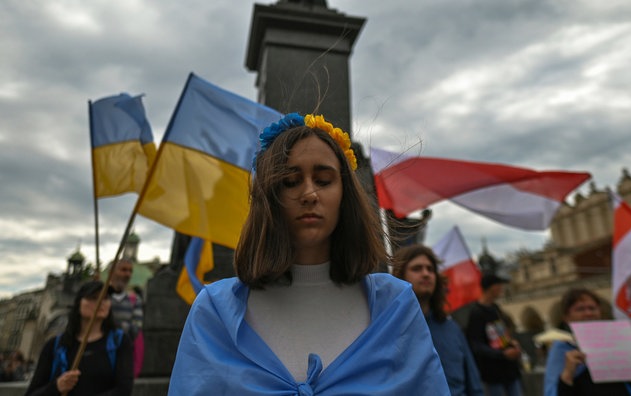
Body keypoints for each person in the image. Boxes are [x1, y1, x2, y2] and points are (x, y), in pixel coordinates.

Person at [169, 113, 450, 395]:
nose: (309, 194)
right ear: (268, 197)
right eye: (290, 181)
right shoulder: (214, 311)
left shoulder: (396, 306)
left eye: (324, 180)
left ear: (345, 194)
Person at [392, 244, 484, 396]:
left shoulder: (452, 328)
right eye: (417, 269)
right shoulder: (389, 329)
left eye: (430, 269)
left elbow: (473, 383)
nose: (426, 274)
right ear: (400, 276)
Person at [544, 288, 631, 396]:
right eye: (580, 309)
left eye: (592, 308)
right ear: (567, 317)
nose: (588, 313)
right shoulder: (564, 349)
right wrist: (567, 375)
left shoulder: (620, 342)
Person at [25, 280, 133, 395]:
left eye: (105, 298)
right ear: (79, 303)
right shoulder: (55, 345)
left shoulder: (119, 342)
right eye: (93, 298)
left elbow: (124, 390)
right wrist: (56, 386)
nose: (101, 302)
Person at [465, 274, 522, 396]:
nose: (502, 288)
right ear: (491, 287)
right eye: (499, 285)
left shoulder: (496, 308)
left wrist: (511, 343)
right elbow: (476, 345)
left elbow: (501, 336)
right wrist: (502, 354)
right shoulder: (476, 313)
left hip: (510, 371)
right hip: (494, 375)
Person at [109, 258, 144, 377]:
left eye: (130, 271)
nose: (127, 274)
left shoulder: (135, 300)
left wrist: (113, 324)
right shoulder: (101, 298)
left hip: (121, 356)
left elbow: (135, 329)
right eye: (123, 270)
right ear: (112, 272)